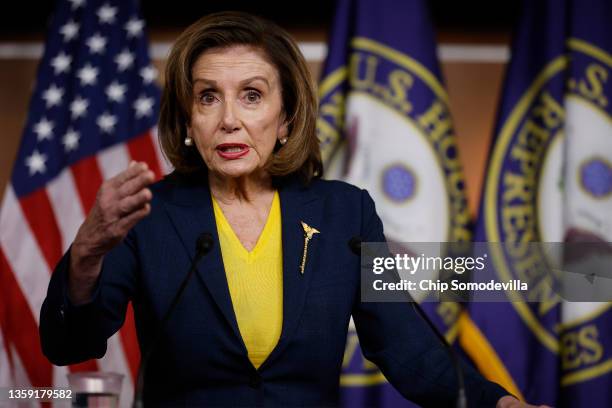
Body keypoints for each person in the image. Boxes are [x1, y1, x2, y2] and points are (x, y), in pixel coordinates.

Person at [40, 11, 539, 408]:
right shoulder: (148, 215)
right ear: (188, 121)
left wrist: (498, 403)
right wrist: (85, 253)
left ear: (286, 118)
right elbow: (69, 345)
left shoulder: (346, 213)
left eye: (252, 96)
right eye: (208, 97)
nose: (229, 120)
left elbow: (408, 346)